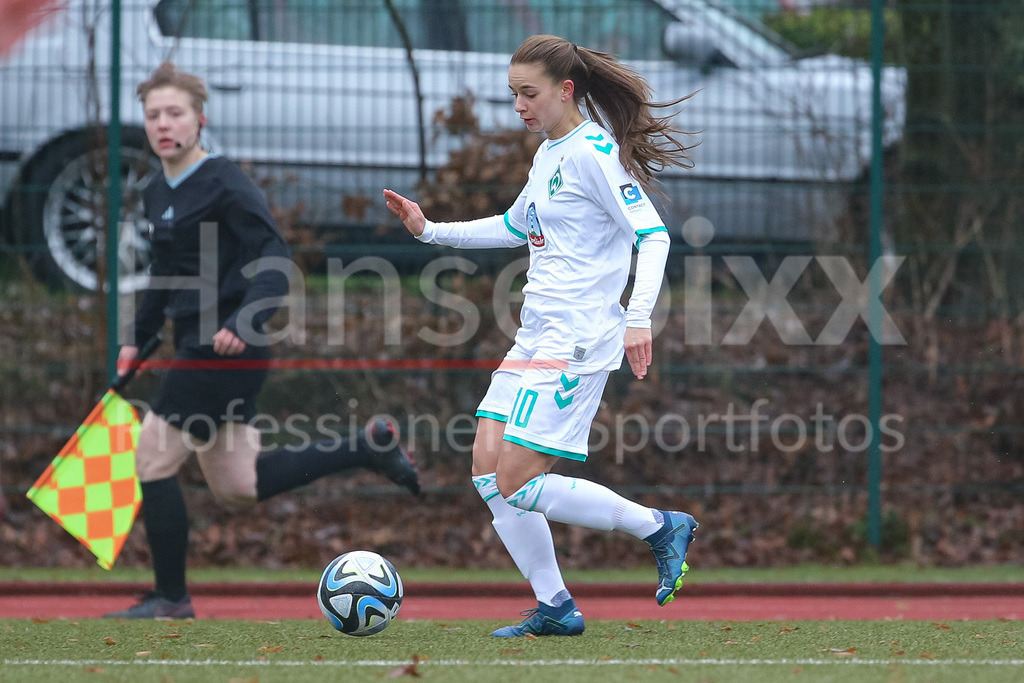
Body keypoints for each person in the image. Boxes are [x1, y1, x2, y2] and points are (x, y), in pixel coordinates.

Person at [384, 34, 698, 637]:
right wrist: (430, 231)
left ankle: (660, 527)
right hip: (537, 337)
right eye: (513, 95)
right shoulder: (550, 153)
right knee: (486, 468)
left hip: (577, 340)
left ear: (566, 90)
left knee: (518, 480)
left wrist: (638, 316)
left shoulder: (593, 152)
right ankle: (556, 606)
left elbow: (653, 236)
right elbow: (513, 224)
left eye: (529, 94)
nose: (519, 106)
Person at [105, 62, 420, 619]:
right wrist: (137, 341)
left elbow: (274, 260)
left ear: (199, 119)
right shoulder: (156, 191)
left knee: (151, 460)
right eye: (153, 115)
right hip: (197, 349)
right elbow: (163, 278)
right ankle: (365, 446)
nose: (163, 124)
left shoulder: (225, 183)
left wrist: (245, 319)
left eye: (174, 113)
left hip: (226, 352)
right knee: (237, 484)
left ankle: (171, 599)